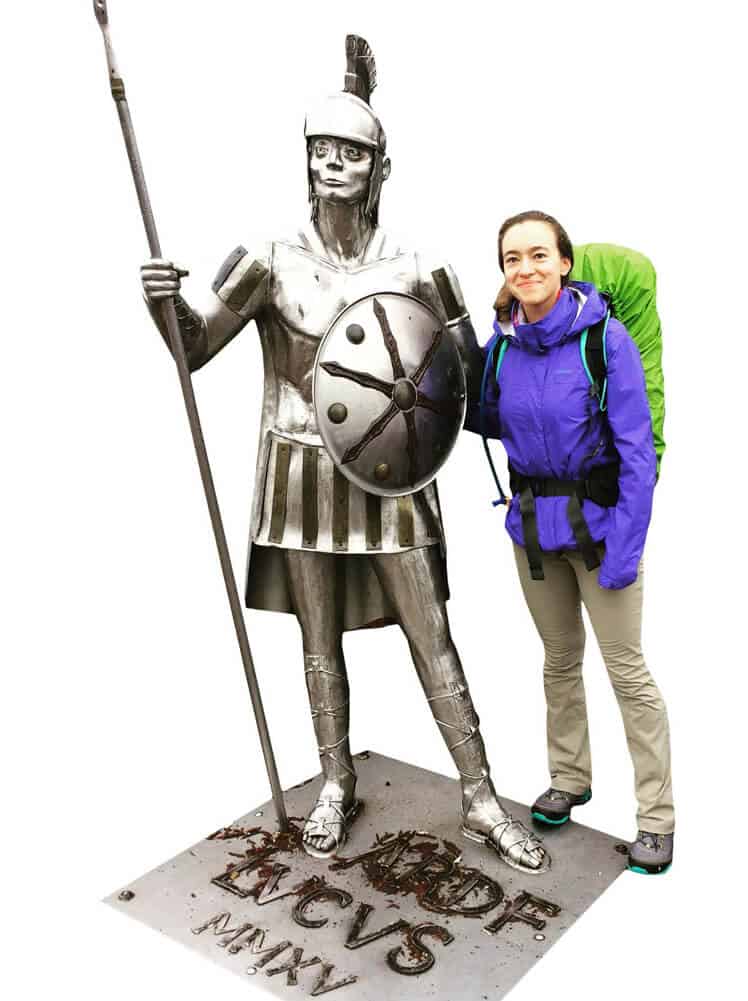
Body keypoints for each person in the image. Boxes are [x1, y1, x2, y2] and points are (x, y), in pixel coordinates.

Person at [140, 38, 547, 873]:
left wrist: (516, 343)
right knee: (316, 637)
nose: (334, 164)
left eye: (351, 152)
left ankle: (479, 794)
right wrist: (162, 306)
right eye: (321, 150)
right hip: (298, 471)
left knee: (432, 636)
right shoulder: (265, 258)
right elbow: (196, 345)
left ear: (379, 167)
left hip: (396, 479)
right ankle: (335, 780)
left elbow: (468, 385)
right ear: (305, 160)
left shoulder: (418, 266)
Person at [466, 210, 674, 874]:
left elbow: (638, 455)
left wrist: (627, 548)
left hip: (602, 530)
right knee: (558, 661)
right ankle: (570, 777)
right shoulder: (501, 348)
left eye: (536, 255)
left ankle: (657, 816)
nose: (524, 268)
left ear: (564, 262)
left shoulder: (604, 341)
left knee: (627, 672)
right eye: (510, 259)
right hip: (533, 530)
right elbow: (483, 419)